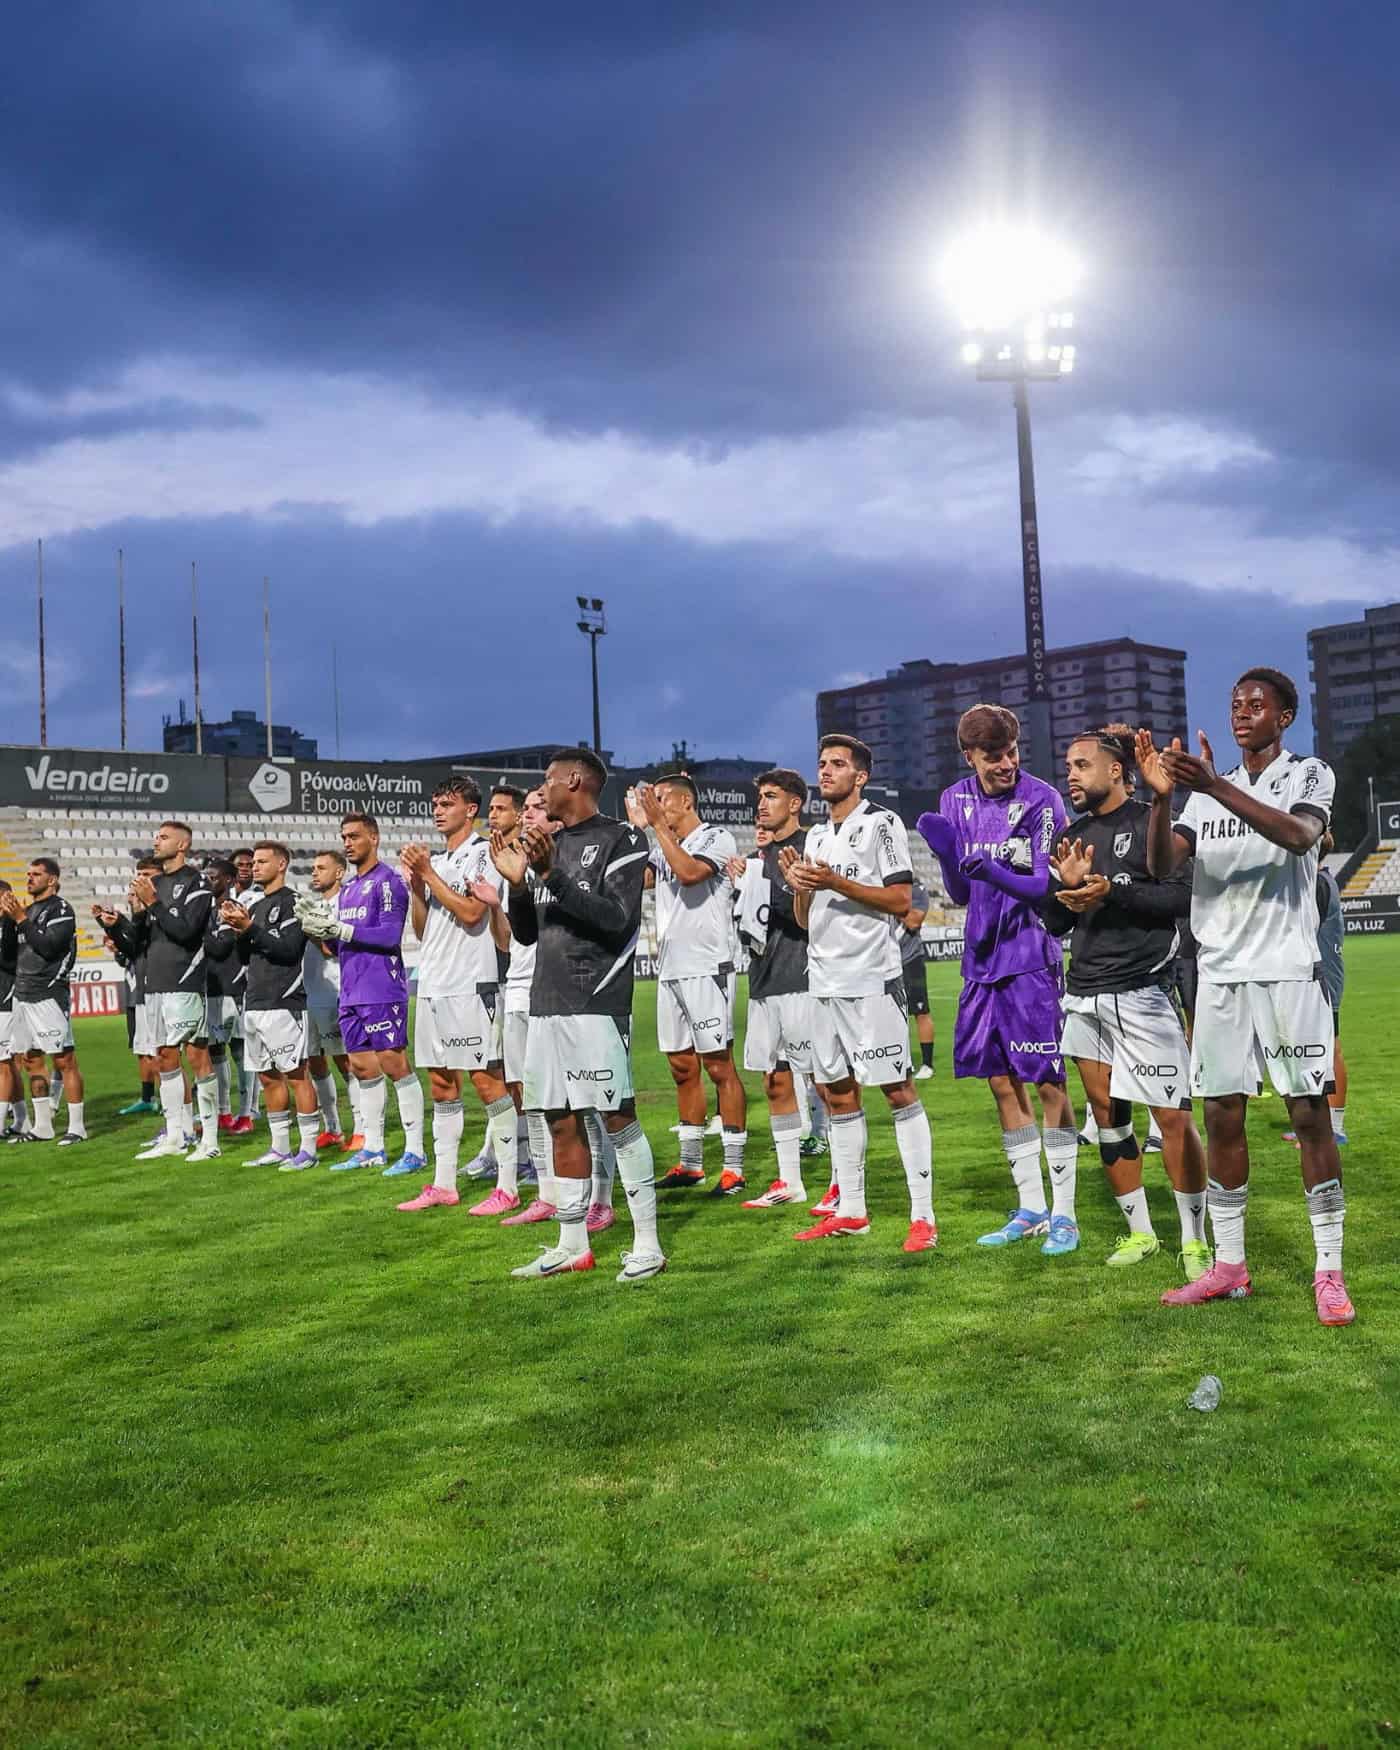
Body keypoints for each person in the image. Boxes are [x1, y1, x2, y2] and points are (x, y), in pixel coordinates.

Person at [1139, 667, 1354, 1325]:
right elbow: (1159, 867)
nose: (1242, 713)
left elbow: (1297, 836)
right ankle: (1230, 1266)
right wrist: (1161, 799)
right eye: (1234, 704)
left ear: (1283, 716)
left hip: (1289, 971)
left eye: (1256, 704)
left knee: (1309, 1117)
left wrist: (1215, 785)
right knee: (1223, 1118)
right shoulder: (1202, 795)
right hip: (1222, 976)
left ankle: (1329, 1272)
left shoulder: (1308, 773)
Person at [1042, 728, 1210, 1279]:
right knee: (1110, 1120)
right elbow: (1057, 920)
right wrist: (1065, 890)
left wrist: (1112, 889)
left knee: (1173, 1118)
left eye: (1082, 764)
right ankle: (1141, 1233)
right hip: (1085, 993)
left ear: (1115, 770)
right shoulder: (1071, 834)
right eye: (1068, 765)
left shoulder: (1150, 823)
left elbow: (1181, 897)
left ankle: (1194, 1240)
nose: (1071, 774)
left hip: (1144, 992)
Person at [492, 746, 663, 1283]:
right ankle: (571, 1245)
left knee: (616, 1119)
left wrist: (549, 873)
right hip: (547, 1003)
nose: (540, 791)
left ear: (575, 779)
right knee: (557, 1119)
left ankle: (647, 1244)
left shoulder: (622, 839)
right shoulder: (551, 843)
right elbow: (525, 933)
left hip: (596, 1003)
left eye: (547, 779)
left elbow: (615, 919)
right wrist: (519, 884)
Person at [917, 704, 1078, 1256]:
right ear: (970, 756)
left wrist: (992, 871)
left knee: (1048, 1079)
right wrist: (947, 856)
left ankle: (1066, 1213)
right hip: (980, 960)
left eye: (1012, 752)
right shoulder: (953, 800)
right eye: (994, 756)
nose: (1007, 763)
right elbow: (960, 894)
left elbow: (1044, 888)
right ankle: (1031, 1206)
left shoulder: (1043, 800)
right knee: (1001, 1081)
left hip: (1031, 955)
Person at [783, 735, 937, 1251]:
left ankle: (924, 1218)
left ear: (861, 776)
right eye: (822, 763)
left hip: (871, 981)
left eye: (837, 765)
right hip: (822, 982)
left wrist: (833, 881)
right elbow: (806, 921)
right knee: (838, 1094)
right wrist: (803, 888)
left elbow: (900, 898)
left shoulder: (882, 823)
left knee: (897, 1091)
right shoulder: (816, 836)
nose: (825, 772)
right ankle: (852, 1210)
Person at [394, 777, 518, 1213]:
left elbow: (471, 913)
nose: (438, 809)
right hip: (434, 983)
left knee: (487, 1083)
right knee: (443, 1084)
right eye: (434, 802)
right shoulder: (442, 861)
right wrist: (416, 888)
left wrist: (428, 874)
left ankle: (507, 1184)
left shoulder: (484, 853)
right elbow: (425, 929)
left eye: (447, 803)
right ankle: (443, 1183)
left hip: (471, 983)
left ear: (471, 810)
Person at [628, 774, 748, 1195]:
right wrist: (640, 830)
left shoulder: (717, 837)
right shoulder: (662, 842)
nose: (656, 805)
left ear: (684, 801)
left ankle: (734, 1167)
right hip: (670, 969)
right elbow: (634, 881)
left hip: (707, 966)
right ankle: (691, 1164)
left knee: (719, 1065)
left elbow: (692, 873)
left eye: (661, 800)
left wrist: (657, 827)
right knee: (681, 1067)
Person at [295, 812, 418, 1173]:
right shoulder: (347, 889)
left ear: (374, 838)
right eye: (344, 837)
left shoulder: (388, 882)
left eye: (355, 836)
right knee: (363, 1069)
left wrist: (341, 930)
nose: (348, 842)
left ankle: (414, 1151)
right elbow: (337, 948)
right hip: (350, 991)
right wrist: (319, 931)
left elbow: (389, 937)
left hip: (382, 987)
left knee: (395, 1065)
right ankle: (373, 1148)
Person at [728, 768, 817, 1210]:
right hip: (762, 980)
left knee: (823, 1080)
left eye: (771, 796)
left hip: (801, 978)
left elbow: (807, 915)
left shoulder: (811, 847)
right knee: (774, 1080)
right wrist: (741, 886)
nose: (761, 804)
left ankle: (842, 1182)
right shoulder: (758, 856)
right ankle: (790, 1181)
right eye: (759, 797)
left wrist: (763, 881)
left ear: (795, 803)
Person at [114, 823, 217, 1160]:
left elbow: (187, 932)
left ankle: (210, 1141)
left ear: (183, 843)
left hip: (184, 980)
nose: (156, 841)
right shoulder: (154, 883)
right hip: (154, 984)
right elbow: (138, 942)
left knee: (197, 1056)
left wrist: (154, 903)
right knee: (164, 1059)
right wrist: (119, 924)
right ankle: (176, 1135)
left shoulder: (197, 882)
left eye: (163, 837)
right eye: (156, 837)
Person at [485, 786, 562, 1228]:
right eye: (528, 807)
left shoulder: (557, 860)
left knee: (566, 1095)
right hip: (516, 986)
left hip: (552, 989)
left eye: (537, 807)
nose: (532, 813)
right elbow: (506, 941)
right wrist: (499, 903)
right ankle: (547, 1189)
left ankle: (587, 1188)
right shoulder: (511, 865)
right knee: (526, 1093)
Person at [218, 842, 320, 1168]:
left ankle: (308, 1150)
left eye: (262, 861)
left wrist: (250, 929)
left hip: (284, 1000)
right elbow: (244, 957)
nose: (255, 866)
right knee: (267, 1077)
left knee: (297, 1074)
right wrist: (240, 931)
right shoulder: (257, 906)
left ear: (282, 864)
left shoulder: (293, 903)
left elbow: (289, 950)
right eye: (254, 861)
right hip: (256, 1001)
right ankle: (279, 1148)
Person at [0, 859, 86, 1146]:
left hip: (48, 994)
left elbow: (50, 947)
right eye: (28, 874)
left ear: (52, 880)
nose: (29, 878)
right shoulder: (28, 910)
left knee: (64, 1060)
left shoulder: (60, 909)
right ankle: (43, 1127)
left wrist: (22, 919)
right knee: (31, 1060)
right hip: (22, 995)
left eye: (36, 874)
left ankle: (77, 1127)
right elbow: (10, 957)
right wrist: (8, 920)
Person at [1286, 838, 1347, 1149]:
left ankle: (1335, 1127)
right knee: (1312, 1051)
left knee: (1329, 1050)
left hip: (1323, 980)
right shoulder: (1320, 881)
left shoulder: (1319, 884)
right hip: (1318, 977)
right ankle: (1315, 1123)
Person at [94, 856, 162, 1117]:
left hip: (154, 988)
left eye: (145, 874)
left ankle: (168, 1101)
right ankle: (148, 1097)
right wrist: (110, 931)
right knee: (141, 1048)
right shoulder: (139, 917)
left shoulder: (158, 912)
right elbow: (129, 954)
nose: (135, 888)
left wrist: (118, 927)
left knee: (158, 1050)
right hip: (136, 990)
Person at [303, 850, 359, 1151]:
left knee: (345, 1061)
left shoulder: (346, 904)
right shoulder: (314, 905)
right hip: (310, 992)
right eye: (313, 868)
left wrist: (314, 934)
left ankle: (361, 1128)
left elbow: (334, 950)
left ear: (339, 873)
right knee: (315, 1062)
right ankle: (333, 1128)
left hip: (335, 993)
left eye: (321, 868)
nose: (315, 873)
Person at [200, 857, 243, 1135]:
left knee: (240, 1052)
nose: (207, 881)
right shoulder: (203, 909)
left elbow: (220, 948)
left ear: (228, 880)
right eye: (205, 876)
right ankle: (223, 1111)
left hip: (233, 989)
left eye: (213, 877)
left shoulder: (234, 909)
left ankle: (247, 1112)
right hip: (209, 989)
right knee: (215, 1051)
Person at [900, 879, 935, 1079]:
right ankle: (903, 1061)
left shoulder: (917, 889)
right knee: (892, 1015)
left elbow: (914, 921)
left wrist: (890, 901)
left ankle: (927, 1064)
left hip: (910, 959)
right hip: (886, 959)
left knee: (921, 1012)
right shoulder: (879, 886)